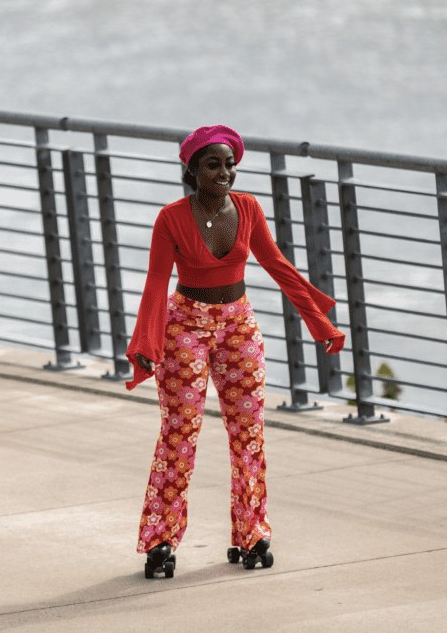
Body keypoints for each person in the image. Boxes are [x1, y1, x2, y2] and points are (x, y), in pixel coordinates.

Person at [126, 125, 345, 577]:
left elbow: (278, 265)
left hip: (238, 326)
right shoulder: (171, 218)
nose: (225, 172)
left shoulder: (247, 208)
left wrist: (318, 321)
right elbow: (155, 282)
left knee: (249, 434)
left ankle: (252, 534)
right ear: (192, 170)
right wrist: (146, 342)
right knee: (179, 435)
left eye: (230, 164)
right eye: (214, 164)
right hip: (184, 327)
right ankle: (161, 542)